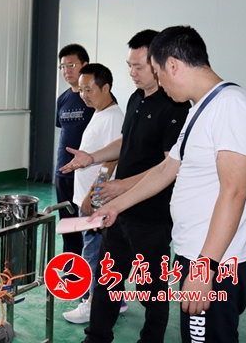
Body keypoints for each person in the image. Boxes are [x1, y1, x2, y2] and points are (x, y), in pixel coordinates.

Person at [91, 25, 246, 343]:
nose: (160, 83)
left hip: (215, 260)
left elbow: (235, 191)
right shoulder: (200, 109)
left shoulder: (230, 106)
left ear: (172, 65)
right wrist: (116, 205)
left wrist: (205, 268)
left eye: (157, 72)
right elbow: (166, 169)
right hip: (196, 254)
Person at [63, 29, 191, 341]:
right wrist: (92, 157)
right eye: (129, 65)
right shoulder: (135, 98)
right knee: (107, 279)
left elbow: (168, 168)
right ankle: (97, 336)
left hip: (151, 214)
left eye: (139, 66)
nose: (132, 72)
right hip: (119, 211)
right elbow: (125, 142)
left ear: (159, 64)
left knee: (152, 287)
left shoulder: (174, 106)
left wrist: (123, 187)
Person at [59, 63, 124, 324]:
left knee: (93, 252)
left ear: (106, 88)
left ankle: (91, 304)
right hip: (90, 196)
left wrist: (92, 196)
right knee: (103, 252)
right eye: (81, 90)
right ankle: (117, 300)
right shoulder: (100, 112)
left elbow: (112, 160)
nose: (84, 95)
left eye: (89, 89)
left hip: (97, 200)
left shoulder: (113, 117)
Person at [55, 44, 93, 257]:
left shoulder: (96, 97)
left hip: (86, 171)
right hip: (63, 171)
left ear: (84, 65)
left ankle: (89, 268)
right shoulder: (62, 99)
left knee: (88, 224)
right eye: (63, 66)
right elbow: (64, 132)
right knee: (68, 224)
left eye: (71, 65)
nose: (66, 70)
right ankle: (71, 267)